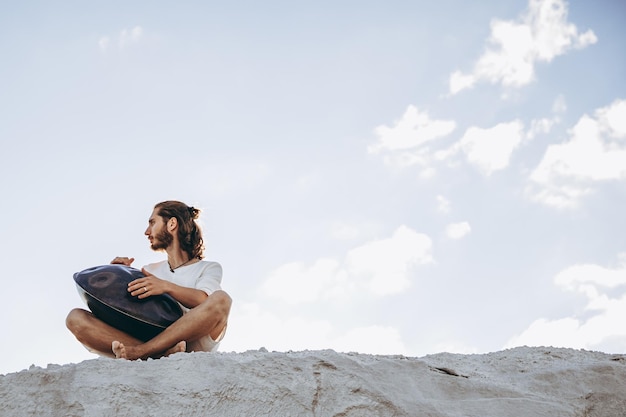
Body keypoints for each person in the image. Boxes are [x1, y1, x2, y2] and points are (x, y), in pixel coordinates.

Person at [66, 200, 232, 360]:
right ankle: (158, 354)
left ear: (172, 224)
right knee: (75, 318)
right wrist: (118, 275)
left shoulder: (208, 268)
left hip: (193, 345)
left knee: (222, 299)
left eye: (152, 222)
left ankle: (144, 351)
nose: (147, 231)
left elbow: (204, 300)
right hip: (155, 343)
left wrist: (166, 287)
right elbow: (135, 313)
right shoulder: (150, 270)